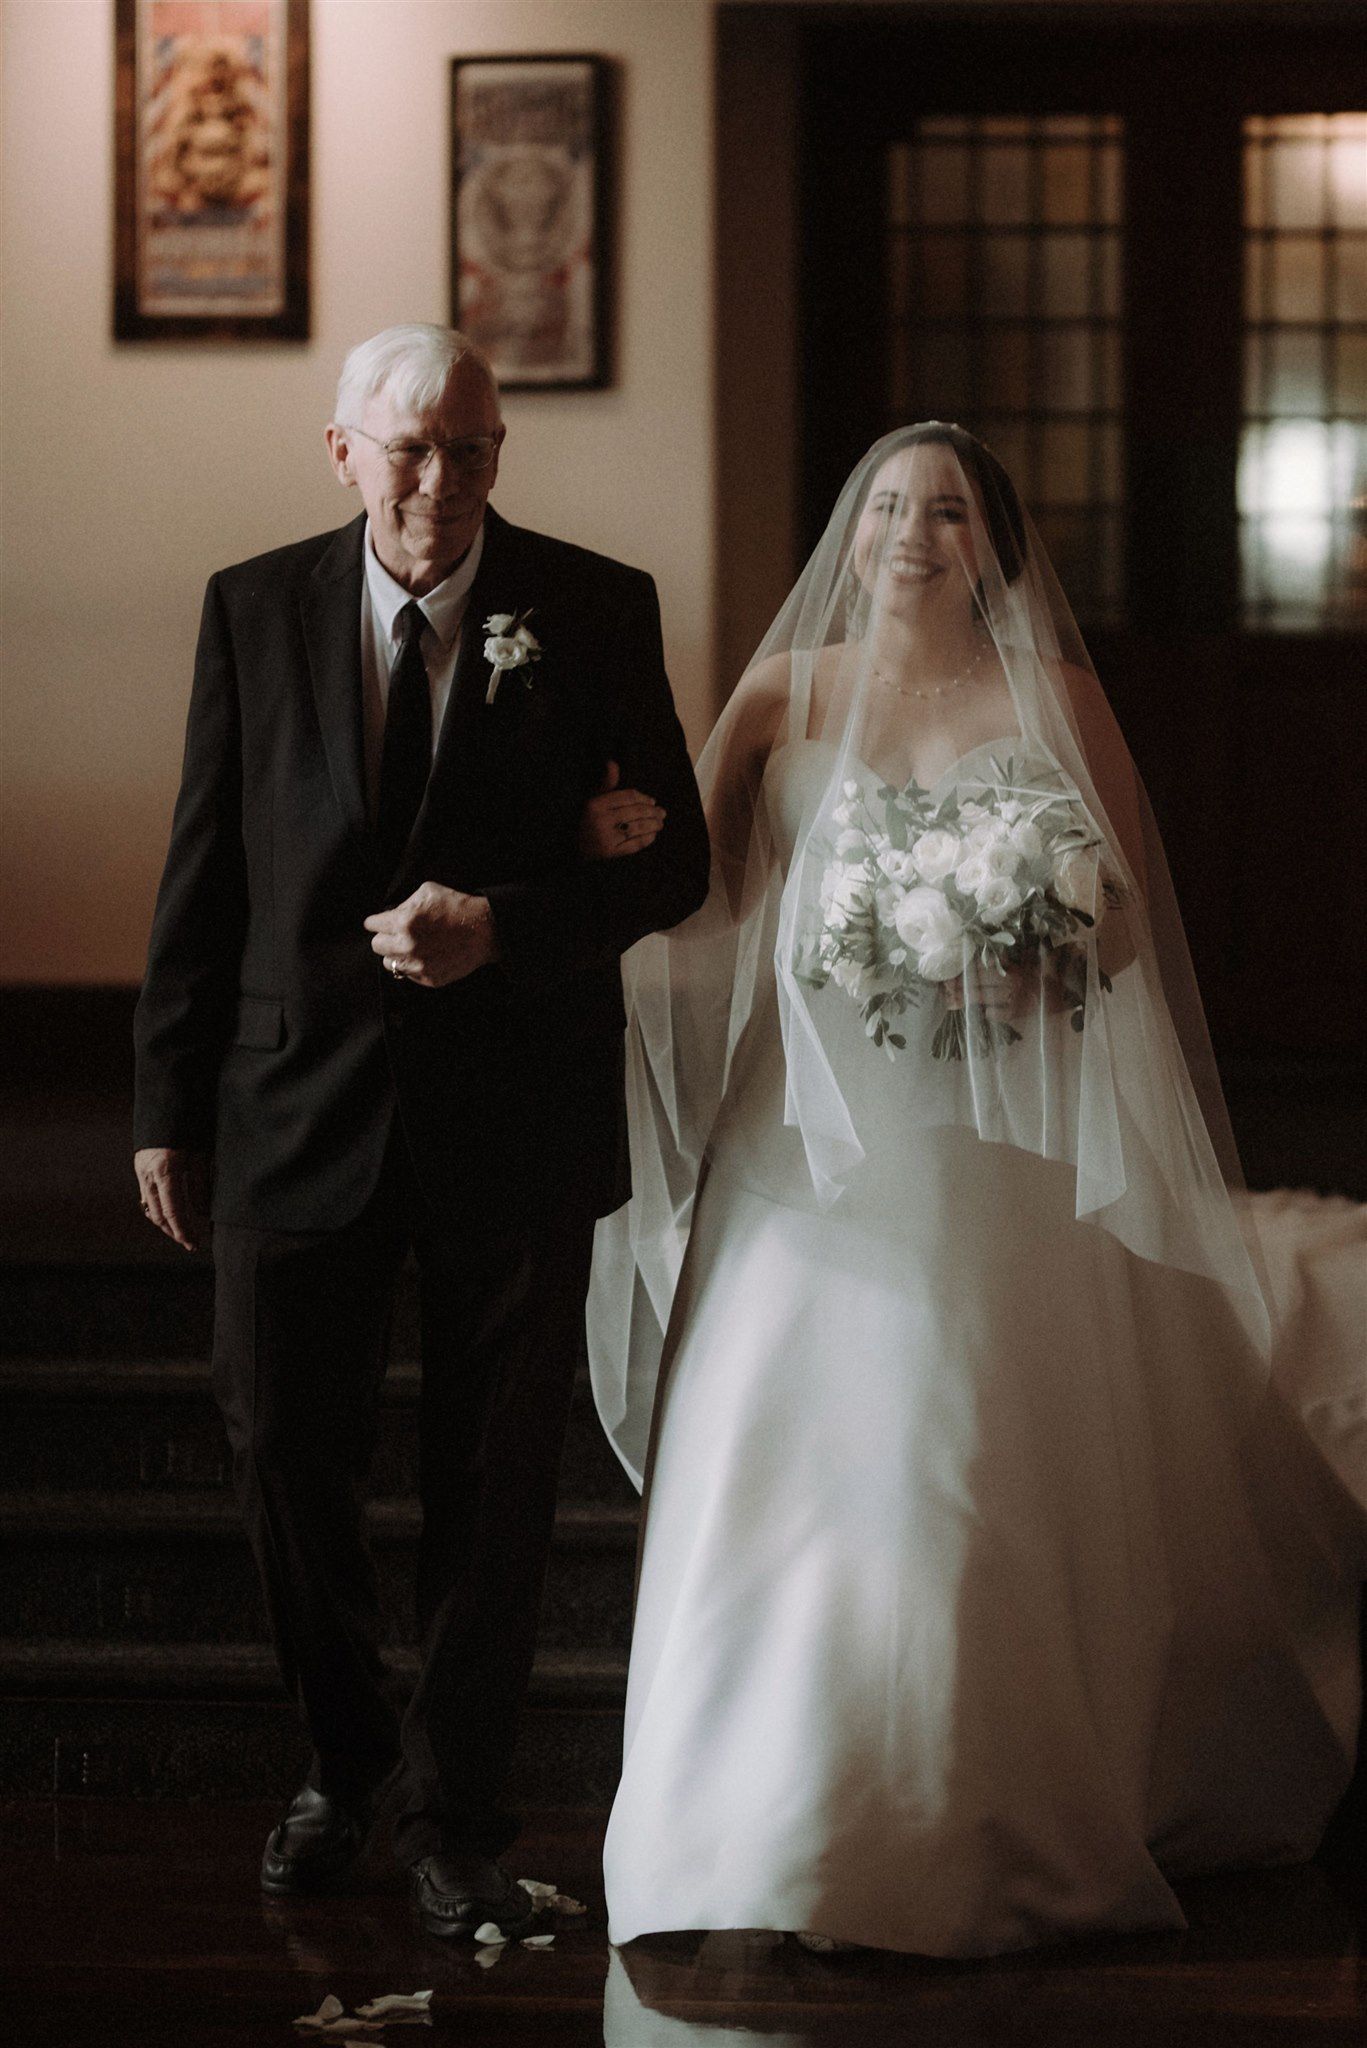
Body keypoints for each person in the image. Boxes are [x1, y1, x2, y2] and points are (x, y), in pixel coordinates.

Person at [586, 423, 1365, 1957]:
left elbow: (1133, 924)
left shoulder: (1055, 699)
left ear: (994, 545)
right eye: (886, 507)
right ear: (851, 534)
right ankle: (753, 1817)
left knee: (967, 1447)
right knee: (798, 1450)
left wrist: (1029, 968)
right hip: (810, 1148)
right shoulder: (785, 699)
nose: (912, 533)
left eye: (946, 510)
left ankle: (971, 1807)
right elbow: (697, 895)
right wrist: (610, 856)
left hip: (994, 1159)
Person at [132, 323, 709, 1938]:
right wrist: (165, 1103)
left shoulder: (596, 606)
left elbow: (676, 863)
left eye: (472, 450)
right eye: (411, 450)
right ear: (343, 453)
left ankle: (456, 1809)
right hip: (284, 1103)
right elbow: (207, 871)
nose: (443, 482)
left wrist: (506, 923)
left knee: (496, 1479)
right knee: (279, 1450)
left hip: (513, 1112)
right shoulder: (253, 607)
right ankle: (346, 1759)